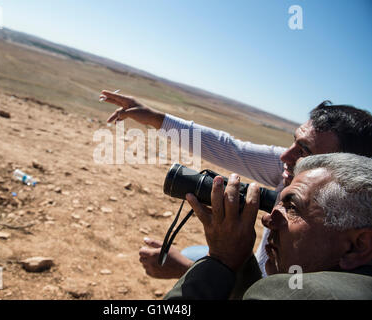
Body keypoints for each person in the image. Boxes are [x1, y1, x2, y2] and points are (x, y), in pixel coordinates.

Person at [101, 90, 372, 278]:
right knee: (195, 252)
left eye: (303, 150)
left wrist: (185, 269)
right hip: (259, 270)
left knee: (191, 260)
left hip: (267, 286)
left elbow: (277, 292)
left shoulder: (343, 237)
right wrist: (155, 119)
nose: (284, 156)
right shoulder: (290, 170)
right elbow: (231, 150)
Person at [164, 153, 372, 300]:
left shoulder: (304, 293)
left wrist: (221, 261)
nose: (267, 220)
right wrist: (240, 259)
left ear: (358, 245)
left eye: (292, 208)